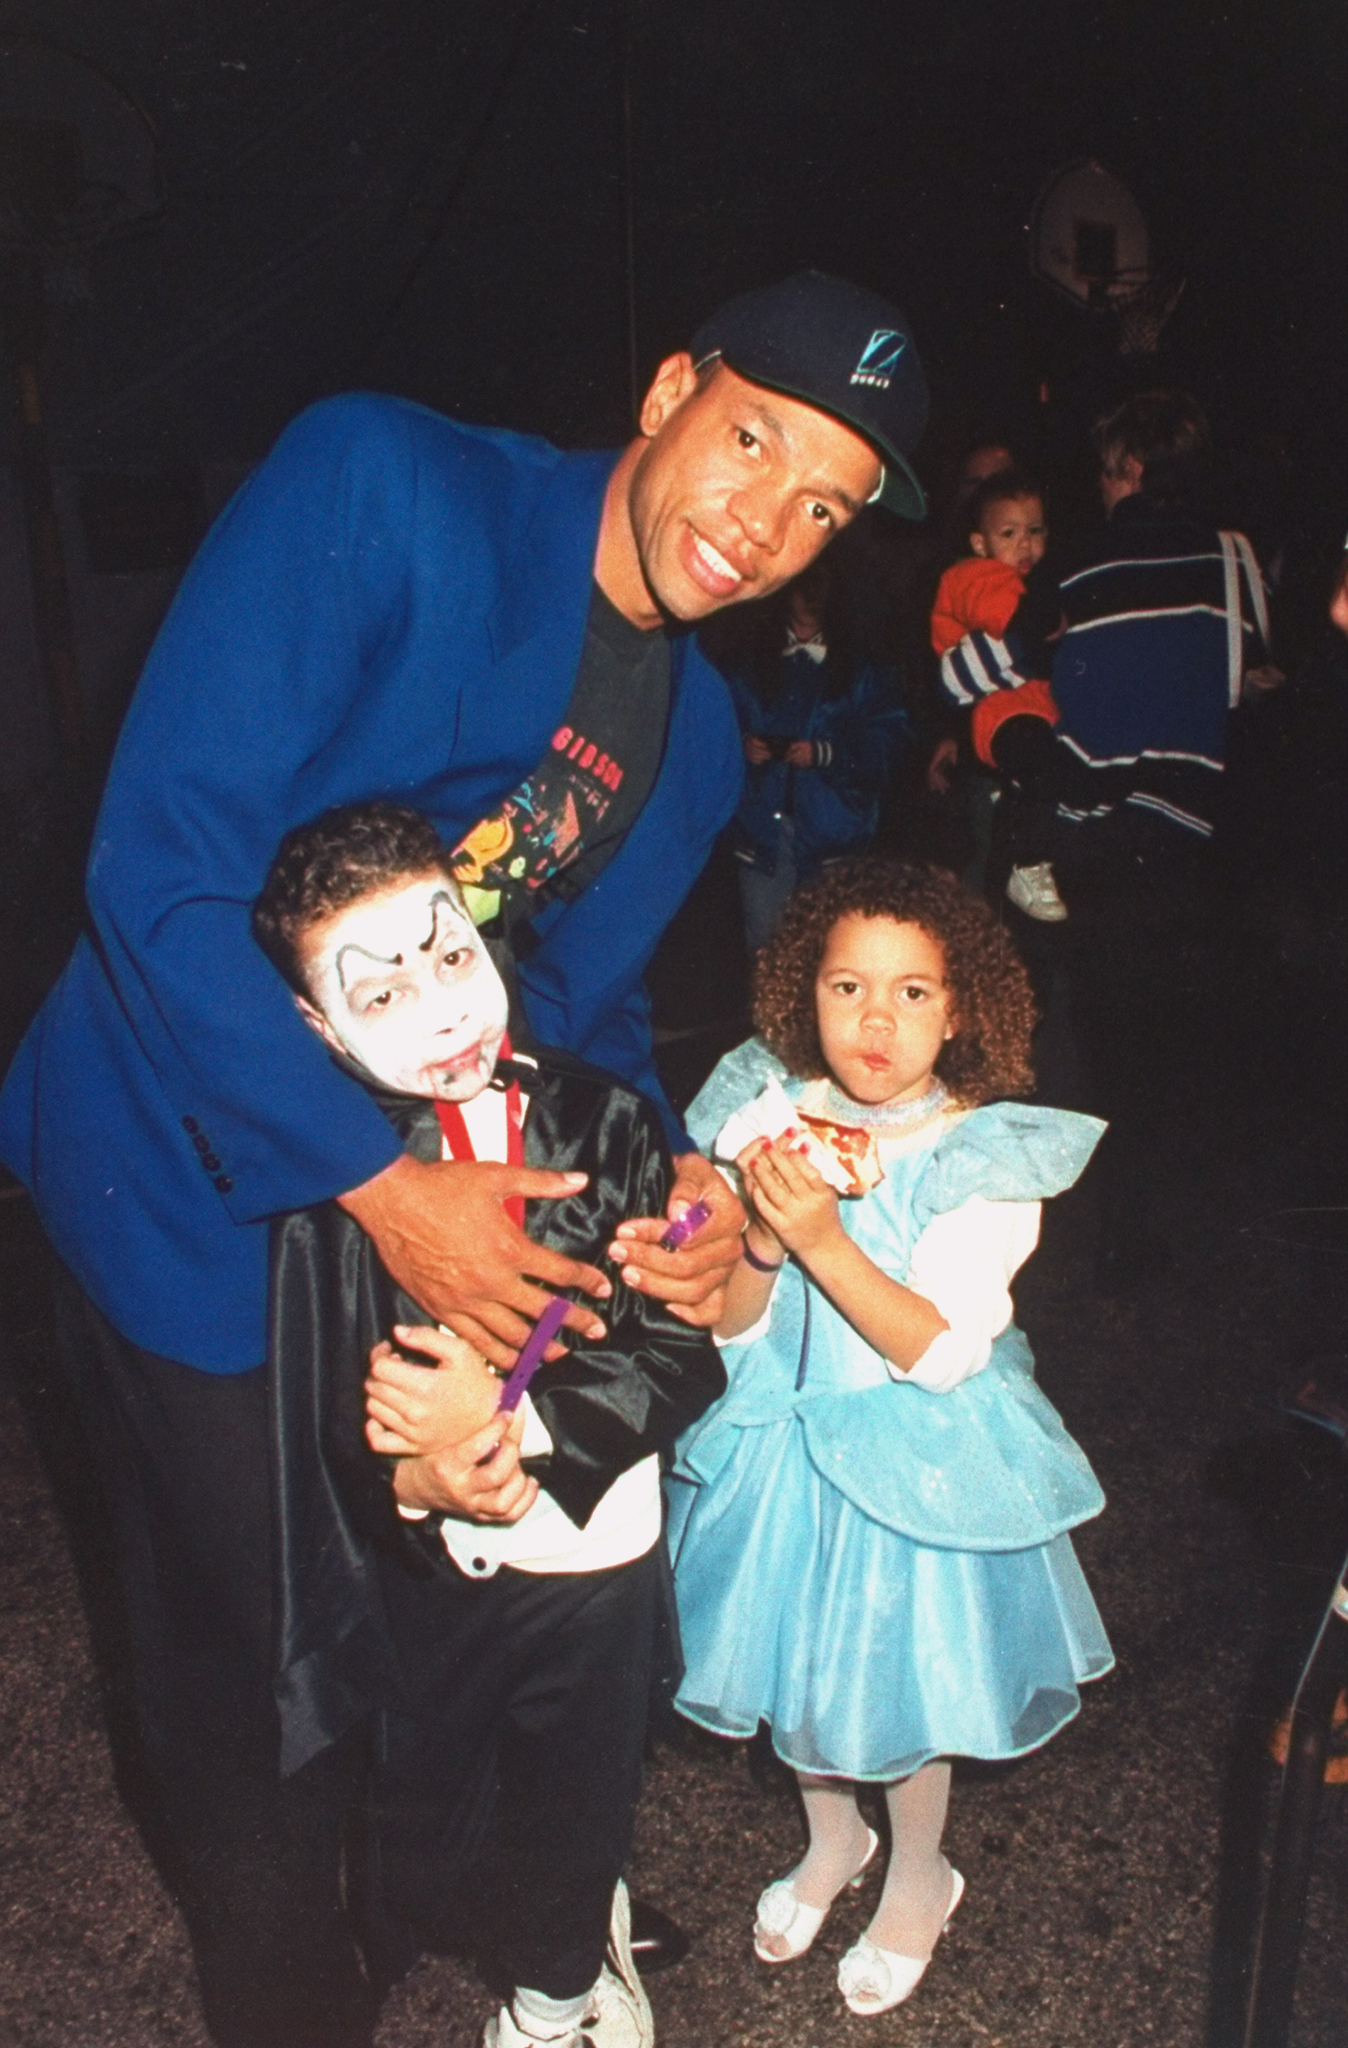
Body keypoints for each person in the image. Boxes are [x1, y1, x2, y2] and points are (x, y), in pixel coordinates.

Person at [0, 269, 931, 2048]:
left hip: (410, 1200)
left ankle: (479, 1893)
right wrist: (375, 1181)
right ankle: (288, 1997)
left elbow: (562, 1023)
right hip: (175, 1160)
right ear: (669, 385)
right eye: (752, 441)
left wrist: (664, 1204)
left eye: (822, 502)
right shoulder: (386, 489)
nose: (767, 519)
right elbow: (161, 861)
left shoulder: (699, 740)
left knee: (463, 1571)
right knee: (259, 1656)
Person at [250, 800, 726, 2048]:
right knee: (430, 1794)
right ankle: (521, 1917)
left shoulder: (609, 1121)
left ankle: (557, 1998)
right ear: (317, 1025)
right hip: (430, 1568)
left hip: (591, 1555)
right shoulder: (338, 1194)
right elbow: (311, 1408)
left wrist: (533, 1433)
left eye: (452, 956)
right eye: (384, 994)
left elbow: (680, 1348)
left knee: (579, 1784)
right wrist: (413, 1473)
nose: (448, 1010)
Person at [666, 859, 1113, 2018]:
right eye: (847, 985)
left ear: (961, 1010)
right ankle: (834, 1838)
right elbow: (734, 1321)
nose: (876, 1018)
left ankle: (920, 1868)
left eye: (914, 993)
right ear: (800, 992)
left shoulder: (979, 1153)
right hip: (783, 1438)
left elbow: (940, 1347)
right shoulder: (767, 1106)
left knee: (908, 1688)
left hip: (914, 1456)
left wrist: (818, 1236)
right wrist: (758, 1241)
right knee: (794, 1667)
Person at [1046, 391, 1277, 1286]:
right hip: (1186, 823)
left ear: (1131, 469)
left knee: (1105, 1029)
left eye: (1108, 471)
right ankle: (1153, 1228)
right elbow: (1247, 670)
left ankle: (1109, 1230)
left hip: (1092, 826)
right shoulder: (1230, 556)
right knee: (1168, 1031)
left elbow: (1036, 665)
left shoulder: (1074, 562)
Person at [708, 546, 910, 953]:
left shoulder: (864, 671)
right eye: (803, 583)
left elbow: (891, 746)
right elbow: (709, 738)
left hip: (832, 841)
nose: (811, 595)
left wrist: (826, 754)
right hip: (762, 836)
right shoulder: (746, 665)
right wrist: (741, 747)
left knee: (831, 953)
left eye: (822, 584)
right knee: (767, 952)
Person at [931, 469, 1068, 920]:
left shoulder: (1020, 577)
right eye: (1009, 534)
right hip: (998, 710)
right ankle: (1027, 865)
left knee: (1043, 774)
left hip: (1027, 704)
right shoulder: (976, 575)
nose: (1025, 545)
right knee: (1040, 767)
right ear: (980, 543)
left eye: (1035, 531)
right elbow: (1022, 623)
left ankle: (1015, 820)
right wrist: (1054, 620)